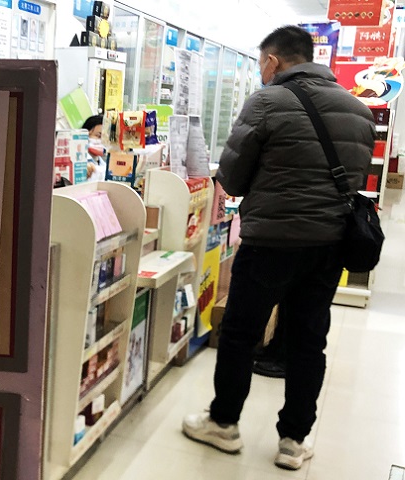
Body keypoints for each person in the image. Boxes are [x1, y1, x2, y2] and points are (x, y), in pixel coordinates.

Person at [181, 25, 375, 470]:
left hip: (269, 242)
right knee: (308, 342)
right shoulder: (359, 110)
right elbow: (355, 180)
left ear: (272, 61)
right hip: (328, 245)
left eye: (260, 63)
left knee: (240, 334)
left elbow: (232, 178)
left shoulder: (266, 102)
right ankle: (293, 442)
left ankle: (223, 424)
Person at [82, 115, 107, 182]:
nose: (102, 141)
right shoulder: (79, 162)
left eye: (105, 138)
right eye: (99, 136)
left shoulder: (104, 163)